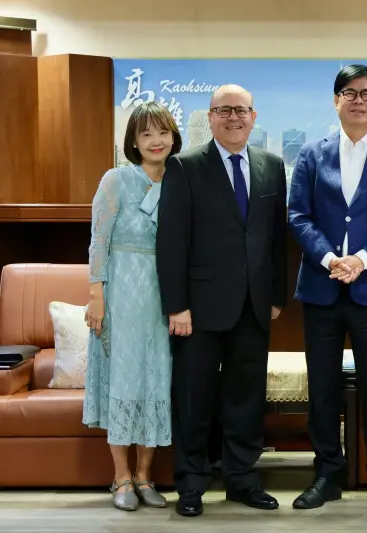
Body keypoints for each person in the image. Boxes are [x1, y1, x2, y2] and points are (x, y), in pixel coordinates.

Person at [287, 64, 367, 511]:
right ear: (336, 100)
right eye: (349, 92)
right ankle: (327, 475)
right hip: (321, 288)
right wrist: (329, 259)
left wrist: (361, 260)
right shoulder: (311, 154)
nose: (358, 100)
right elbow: (298, 215)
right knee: (322, 389)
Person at [155, 84, 288, 517]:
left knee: (246, 398)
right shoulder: (185, 165)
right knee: (194, 398)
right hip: (197, 308)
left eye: (241, 110)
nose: (234, 117)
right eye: (224, 110)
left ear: (254, 116)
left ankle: (242, 480)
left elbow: (276, 237)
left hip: (254, 304)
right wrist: (176, 306)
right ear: (211, 117)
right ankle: (191, 484)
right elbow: (171, 242)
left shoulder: (272, 165)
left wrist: (276, 295)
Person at [83, 101, 181, 511]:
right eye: (146, 134)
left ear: (174, 137)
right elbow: (99, 240)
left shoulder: (182, 179)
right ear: (134, 142)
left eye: (163, 132)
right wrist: (96, 295)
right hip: (121, 291)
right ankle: (121, 477)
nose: (156, 141)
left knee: (156, 379)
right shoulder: (116, 179)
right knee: (123, 380)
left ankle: (145, 476)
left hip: (164, 295)